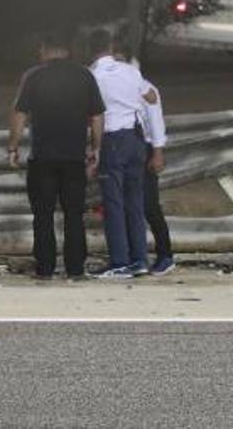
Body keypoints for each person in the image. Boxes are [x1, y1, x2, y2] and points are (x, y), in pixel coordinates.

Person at [8, 33, 105, 280]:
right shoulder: (85, 76)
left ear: (44, 49)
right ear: (68, 50)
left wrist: (13, 147)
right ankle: (75, 267)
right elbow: (96, 116)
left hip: (43, 157)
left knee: (43, 214)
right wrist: (96, 148)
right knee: (74, 214)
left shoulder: (34, 76)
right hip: (74, 157)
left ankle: (45, 267)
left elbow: (20, 114)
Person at [87, 29, 158, 279]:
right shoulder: (130, 70)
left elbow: (93, 114)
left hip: (112, 140)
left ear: (90, 50)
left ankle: (119, 261)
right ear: (110, 46)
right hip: (136, 139)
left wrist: (94, 148)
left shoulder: (92, 76)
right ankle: (139, 259)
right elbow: (150, 95)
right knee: (134, 203)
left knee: (113, 204)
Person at [116, 42, 174, 276]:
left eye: (120, 61)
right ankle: (133, 255)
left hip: (146, 148)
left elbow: (156, 121)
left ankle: (165, 254)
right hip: (131, 147)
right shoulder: (123, 88)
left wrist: (158, 152)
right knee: (129, 204)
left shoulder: (145, 88)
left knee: (149, 205)